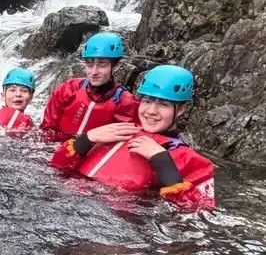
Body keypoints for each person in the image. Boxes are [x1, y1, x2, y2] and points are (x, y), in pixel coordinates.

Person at [49, 65, 215, 210]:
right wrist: (86, 139)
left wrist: (162, 161)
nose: (151, 111)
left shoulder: (190, 160)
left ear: (181, 110)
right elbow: (57, 166)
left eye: (163, 104)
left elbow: (198, 210)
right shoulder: (116, 132)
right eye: (147, 101)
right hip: (65, 203)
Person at [41, 33, 139, 142]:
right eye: (89, 64)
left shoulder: (127, 103)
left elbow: (125, 144)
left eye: (102, 65)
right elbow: (46, 130)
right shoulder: (67, 89)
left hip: (93, 152)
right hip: (58, 149)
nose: (94, 72)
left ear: (117, 66)